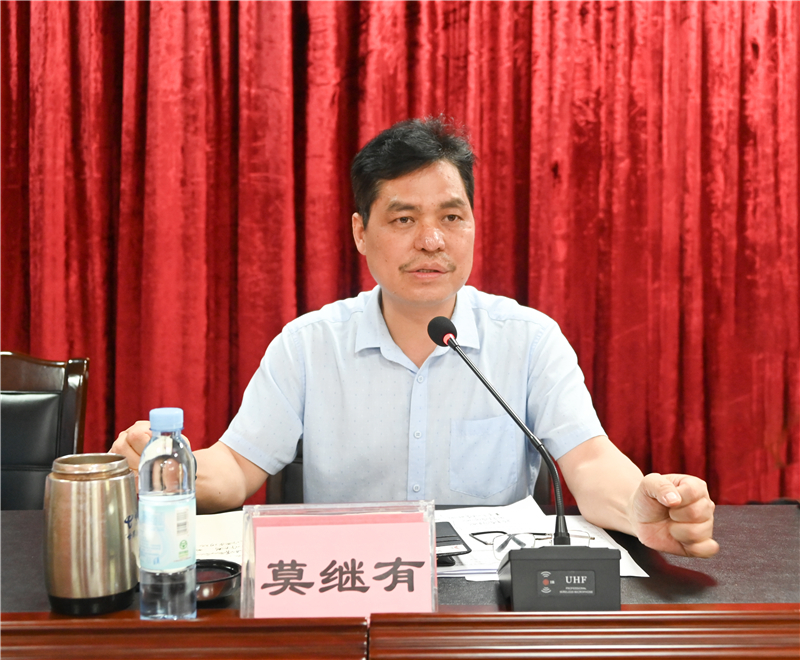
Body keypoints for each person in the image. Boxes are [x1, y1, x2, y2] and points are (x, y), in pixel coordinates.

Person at [112, 117, 718, 559]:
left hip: (485, 603)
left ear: (473, 224)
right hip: (349, 589)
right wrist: (170, 465)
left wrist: (640, 507)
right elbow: (236, 468)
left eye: (451, 217)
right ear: (360, 232)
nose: (431, 241)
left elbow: (589, 463)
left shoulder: (529, 340)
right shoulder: (308, 345)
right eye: (404, 219)